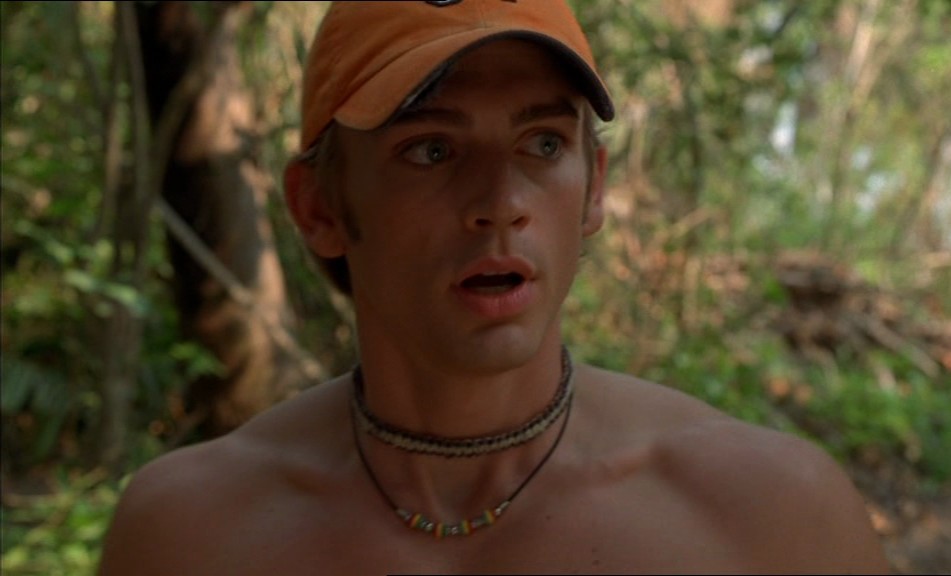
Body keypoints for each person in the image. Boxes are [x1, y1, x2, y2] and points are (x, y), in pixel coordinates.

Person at [98, 1, 889, 574]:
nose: (501, 202)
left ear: (593, 187)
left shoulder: (772, 519)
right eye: (431, 150)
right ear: (319, 208)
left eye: (541, 144)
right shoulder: (190, 534)